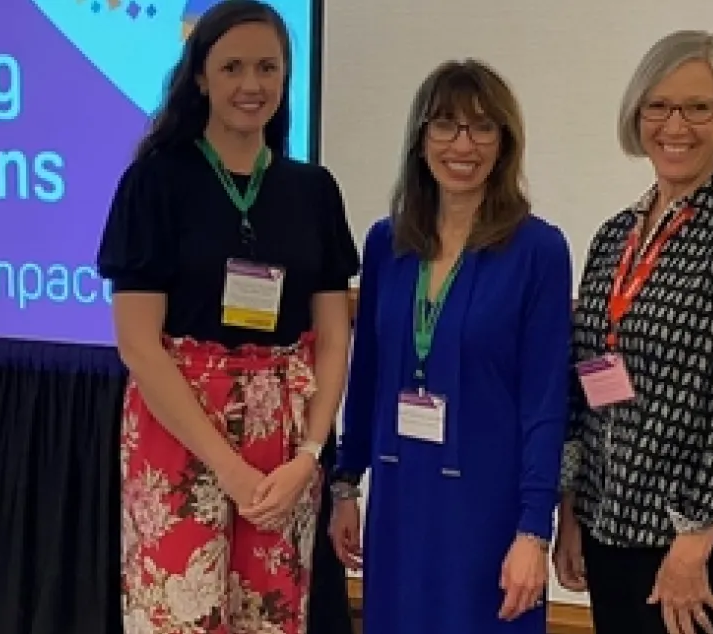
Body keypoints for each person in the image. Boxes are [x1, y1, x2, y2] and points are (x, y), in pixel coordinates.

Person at [94, 1, 361, 632]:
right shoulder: (155, 182)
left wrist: (311, 454)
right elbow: (137, 344)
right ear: (200, 78)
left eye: (268, 67)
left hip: (285, 442)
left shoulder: (313, 191)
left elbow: (331, 336)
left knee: (270, 615)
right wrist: (229, 466)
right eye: (233, 66)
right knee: (178, 617)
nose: (252, 85)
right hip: (179, 431)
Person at [551, 29, 713, 634]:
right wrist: (572, 509)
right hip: (611, 523)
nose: (674, 124)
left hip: (698, 542)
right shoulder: (613, 236)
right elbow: (585, 382)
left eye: (698, 107)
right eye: (658, 106)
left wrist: (692, 541)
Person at [325, 59, 572, 634]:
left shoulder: (538, 250)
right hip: (400, 500)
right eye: (445, 125)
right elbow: (367, 378)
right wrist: (345, 485)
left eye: (483, 127)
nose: (464, 144)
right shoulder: (388, 243)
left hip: (487, 512)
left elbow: (544, 403)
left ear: (505, 142)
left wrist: (535, 530)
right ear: (420, 139)